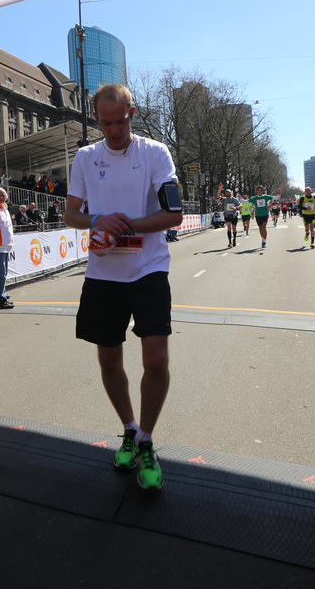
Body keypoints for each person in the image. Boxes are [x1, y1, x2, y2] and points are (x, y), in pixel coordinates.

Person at [64, 83, 184, 491]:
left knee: (156, 361)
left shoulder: (155, 153)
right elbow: (71, 215)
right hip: (103, 274)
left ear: (133, 113)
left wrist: (127, 225)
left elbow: (173, 214)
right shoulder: (86, 157)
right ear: (96, 119)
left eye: (121, 121)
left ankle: (147, 441)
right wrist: (98, 221)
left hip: (149, 269)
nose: (114, 130)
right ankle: (130, 430)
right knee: (109, 362)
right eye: (105, 123)